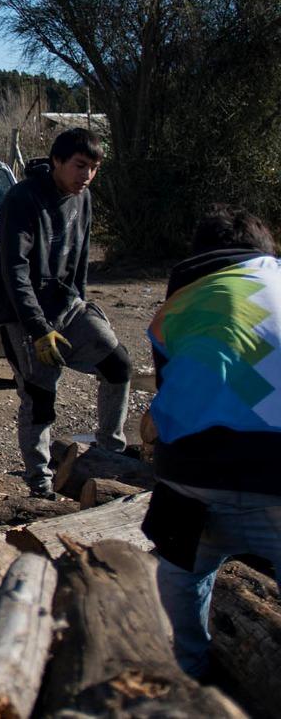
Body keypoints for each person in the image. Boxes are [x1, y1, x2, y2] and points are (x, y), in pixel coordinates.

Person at [144, 206, 281, 678]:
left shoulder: (177, 307)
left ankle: (187, 670)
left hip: (192, 478)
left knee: (182, 574)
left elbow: (173, 403)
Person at [0, 127, 131, 498]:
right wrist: (38, 328)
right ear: (56, 161)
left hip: (68, 307)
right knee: (40, 396)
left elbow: (81, 257)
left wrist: (83, 303)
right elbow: (14, 272)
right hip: (25, 317)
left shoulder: (82, 198)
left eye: (94, 168)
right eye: (80, 165)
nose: (86, 175)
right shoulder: (23, 199)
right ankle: (39, 482)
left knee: (118, 365)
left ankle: (109, 455)